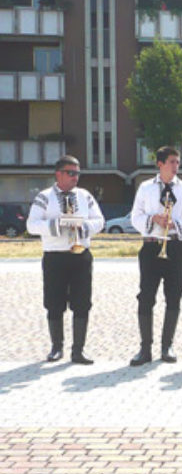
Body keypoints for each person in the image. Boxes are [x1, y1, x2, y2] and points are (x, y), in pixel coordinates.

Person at [26, 155, 105, 364]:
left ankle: (78, 350)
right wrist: (57, 225)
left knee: (82, 303)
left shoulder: (85, 196)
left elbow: (100, 220)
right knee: (54, 302)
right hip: (55, 256)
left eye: (78, 173)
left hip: (81, 256)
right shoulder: (44, 197)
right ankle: (56, 347)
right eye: (71, 173)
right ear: (58, 174)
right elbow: (31, 225)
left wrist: (83, 226)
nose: (75, 177)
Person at [129, 146, 182, 367]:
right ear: (160, 164)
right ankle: (145, 348)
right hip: (152, 247)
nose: (175, 166)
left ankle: (167, 345)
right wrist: (153, 220)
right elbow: (135, 217)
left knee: (174, 296)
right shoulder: (145, 188)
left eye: (178, 162)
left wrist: (176, 225)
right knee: (146, 296)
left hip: (175, 247)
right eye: (171, 162)